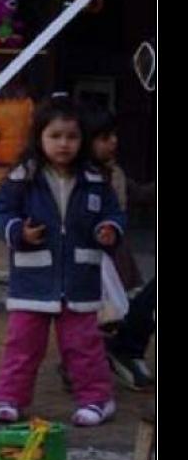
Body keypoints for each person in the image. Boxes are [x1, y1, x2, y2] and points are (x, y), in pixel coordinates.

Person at [0, 95, 126, 427]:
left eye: (72, 137)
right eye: (55, 136)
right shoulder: (23, 177)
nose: (64, 144)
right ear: (39, 136)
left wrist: (110, 229)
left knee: (83, 347)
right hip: (32, 279)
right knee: (22, 345)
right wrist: (17, 231)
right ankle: (11, 400)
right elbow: (1, 214)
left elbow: (113, 214)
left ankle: (97, 400)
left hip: (79, 279)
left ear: (83, 140)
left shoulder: (96, 179)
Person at [83, 104, 155, 389]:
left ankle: (117, 353)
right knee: (90, 317)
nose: (113, 142)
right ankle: (82, 366)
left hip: (118, 257)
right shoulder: (84, 177)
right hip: (96, 259)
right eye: (105, 137)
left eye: (113, 136)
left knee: (118, 312)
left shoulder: (114, 172)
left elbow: (135, 193)